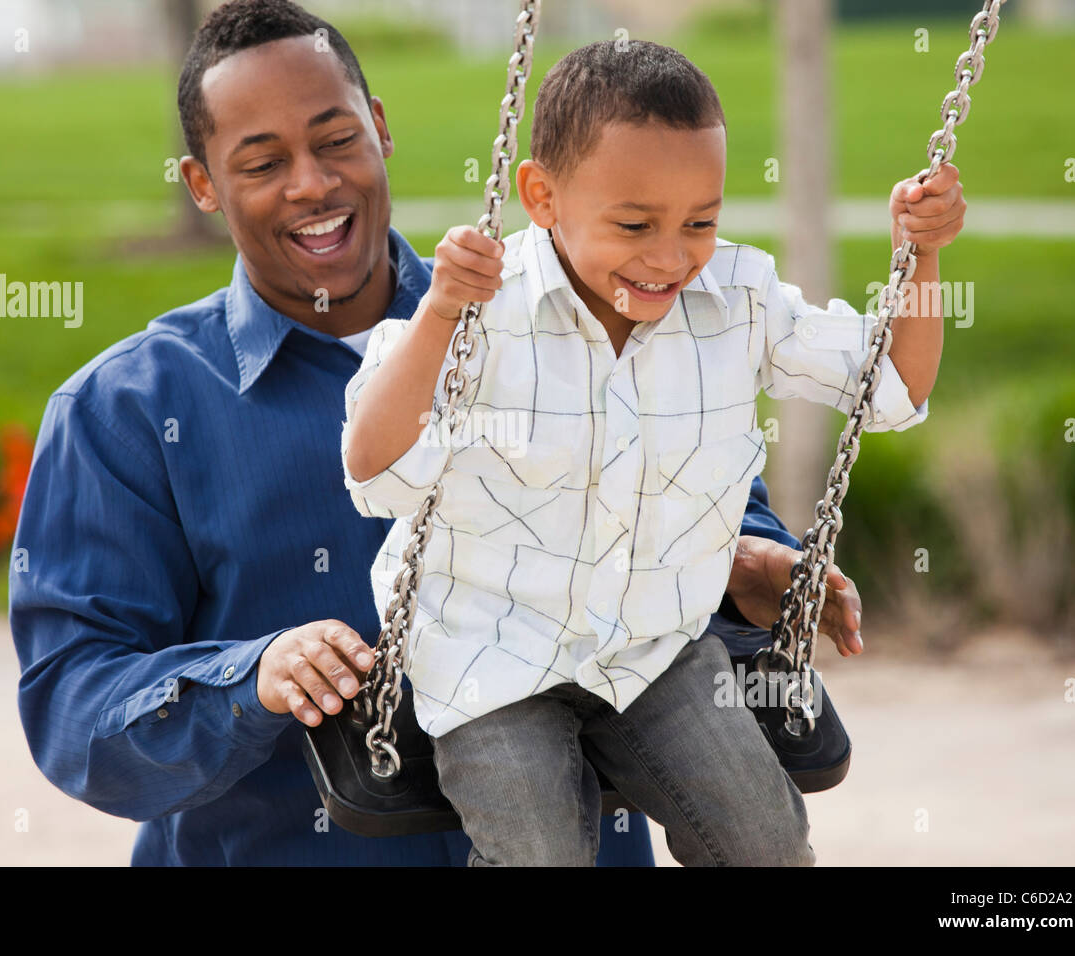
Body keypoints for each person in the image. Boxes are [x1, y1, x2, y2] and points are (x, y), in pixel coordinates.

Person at [9, 0, 861, 867]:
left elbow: (702, 507)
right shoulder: (126, 412)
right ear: (201, 185)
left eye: (336, 140)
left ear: (379, 129)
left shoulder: (595, 306)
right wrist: (250, 677)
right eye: (263, 162)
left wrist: (746, 568)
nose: (312, 183)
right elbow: (75, 713)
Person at [342, 39, 963, 866]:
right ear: (542, 197)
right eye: (634, 224)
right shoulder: (482, 311)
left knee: (767, 841)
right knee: (539, 849)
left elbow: (894, 383)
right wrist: (440, 316)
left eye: (700, 221)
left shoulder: (737, 302)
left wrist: (919, 256)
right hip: (489, 655)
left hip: (655, 648)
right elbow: (373, 468)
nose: (671, 257)